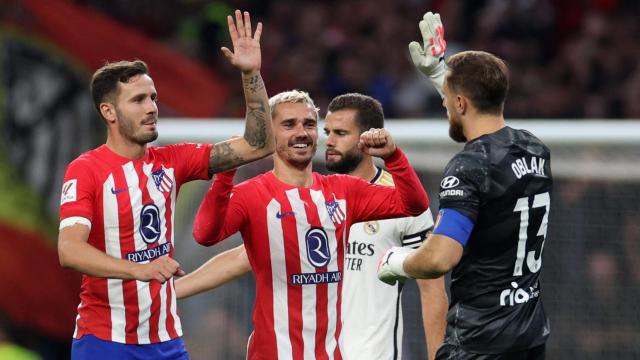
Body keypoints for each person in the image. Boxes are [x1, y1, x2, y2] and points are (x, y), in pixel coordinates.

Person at [57, 10, 274, 359]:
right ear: (109, 112)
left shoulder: (173, 160)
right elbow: (69, 250)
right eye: (139, 100)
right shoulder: (86, 170)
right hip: (105, 342)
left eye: (153, 98)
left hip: (166, 342)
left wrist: (251, 74)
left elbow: (259, 144)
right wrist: (138, 269)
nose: (152, 108)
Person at [175, 93, 447, 360]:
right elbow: (224, 245)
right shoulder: (270, 196)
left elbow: (416, 219)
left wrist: (395, 157)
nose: (312, 135)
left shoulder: (353, 194)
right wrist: (170, 291)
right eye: (290, 124)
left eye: (310, 125)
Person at [378, 12, 552, 359]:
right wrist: (445, 78)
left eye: (448, 101)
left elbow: (441, 257)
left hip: (479, 341)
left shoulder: (468, 167)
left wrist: (399, 261)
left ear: (461, 103)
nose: (444, 105)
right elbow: (494, 149)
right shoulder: (535, 148)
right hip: (529, 334)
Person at [324, 93, 446, 360]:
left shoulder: (402, 200)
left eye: (341, 133)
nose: (329, 141)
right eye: (327, 131)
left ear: (367, 137)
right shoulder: (310, 197)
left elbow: (432, 289)